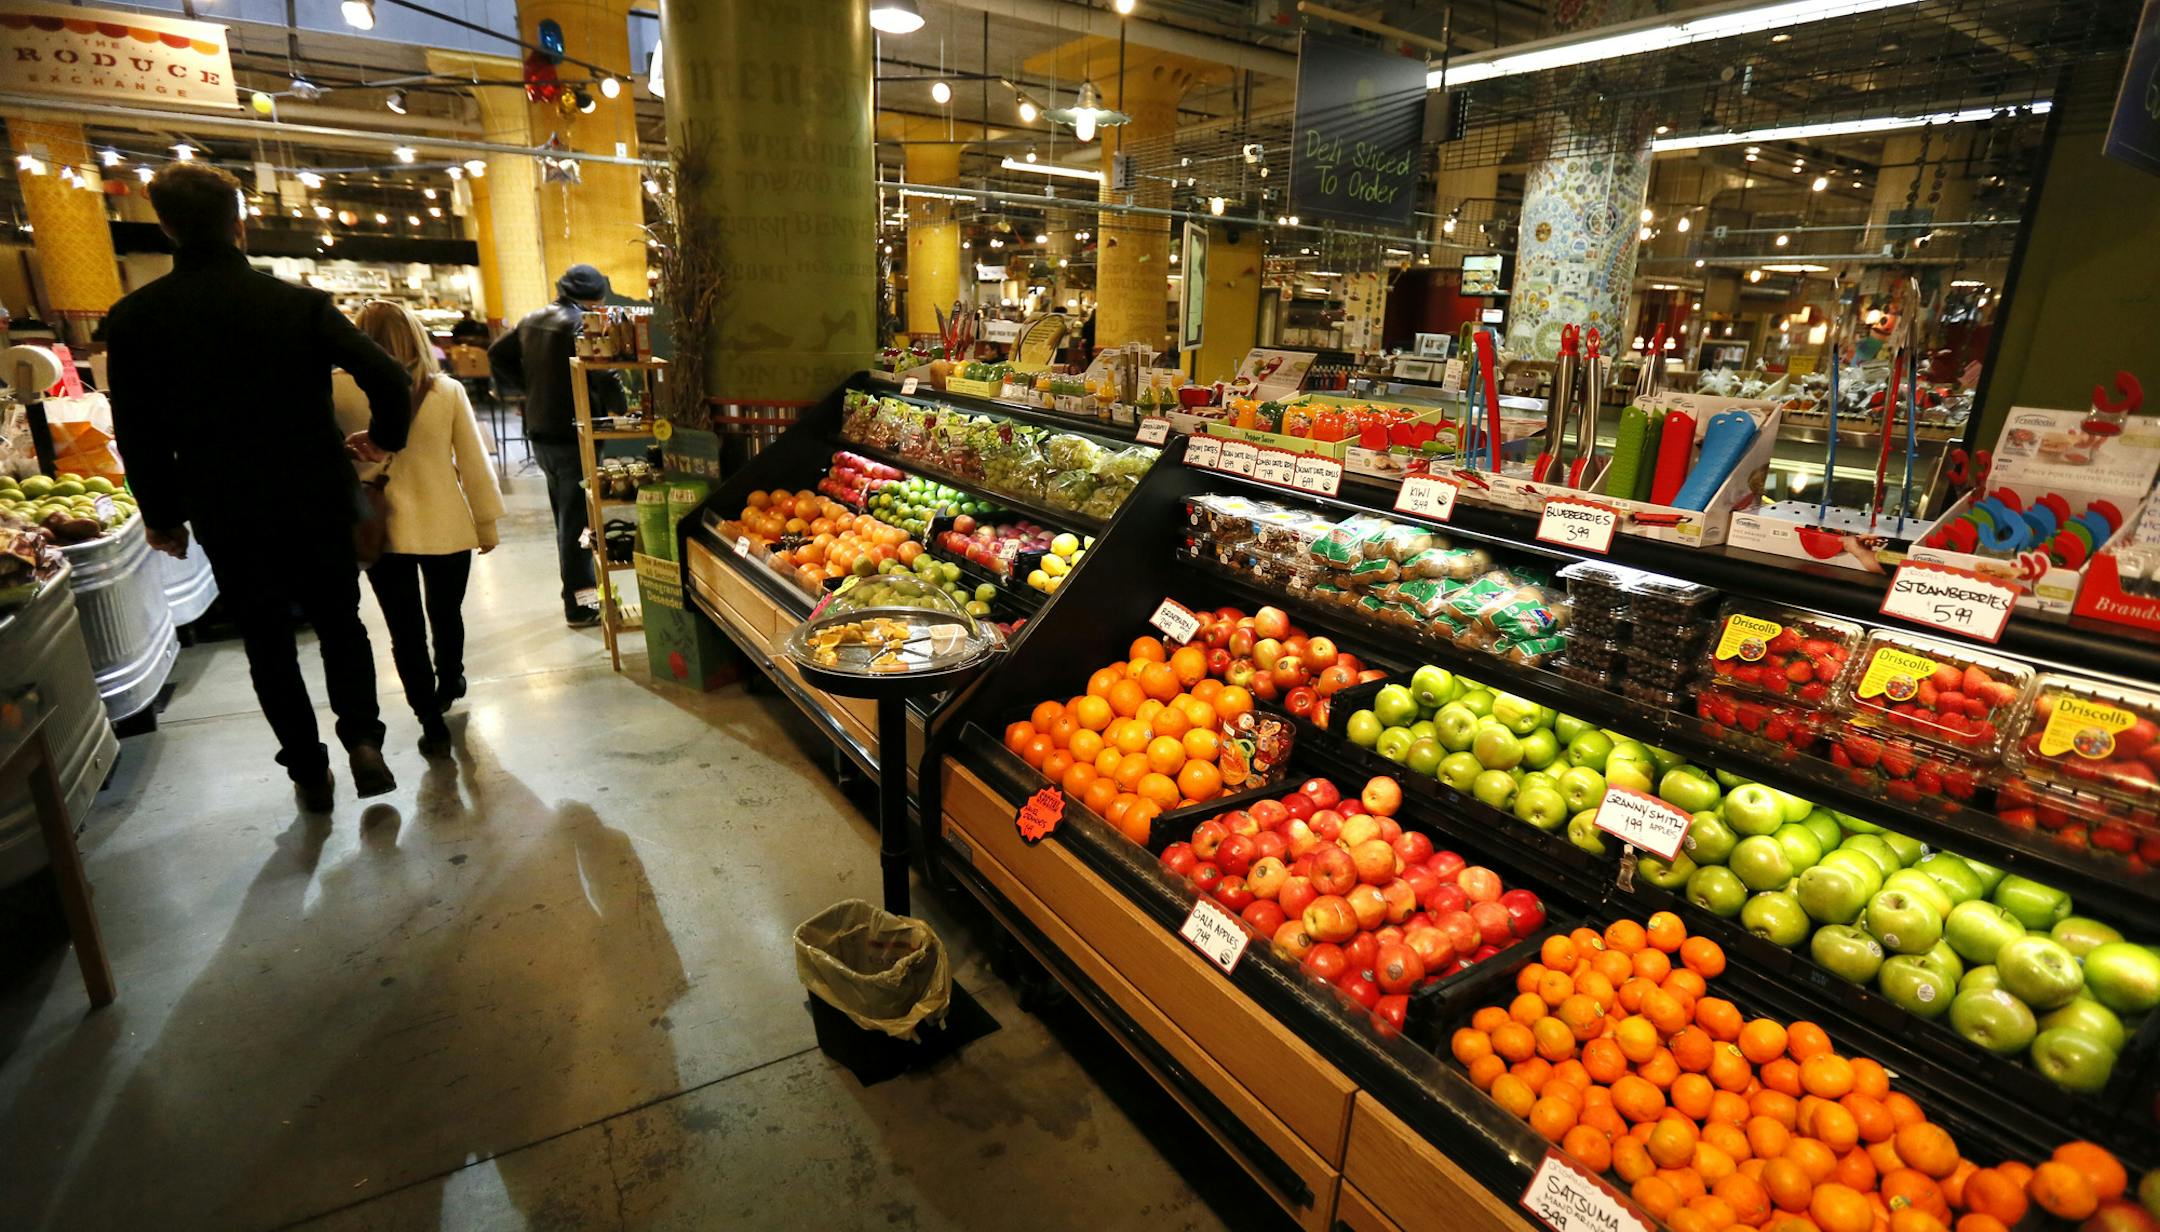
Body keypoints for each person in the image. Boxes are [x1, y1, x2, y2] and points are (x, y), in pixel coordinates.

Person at [105, 163, 414, 811]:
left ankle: (307, 767)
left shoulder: (137, 319)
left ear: (164, 226)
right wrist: (386, 437)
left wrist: (162, 514)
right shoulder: (296, 305)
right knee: (341, 624)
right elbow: (386, 374)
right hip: (318, 494)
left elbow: (137, 432)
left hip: (227, 504)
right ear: (239, 222)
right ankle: (363, 739)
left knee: (267, 641)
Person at [334, 301, 505, 757]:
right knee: (446, 612)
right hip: (445, 524)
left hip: (380, 528)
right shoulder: (444, 390)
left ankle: (429, 718)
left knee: (403, 629)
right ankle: (450, 676)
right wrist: (485, 523)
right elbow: (473, 462)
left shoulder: (336, 391)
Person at [489, 264, 624, 626]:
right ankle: (580, 605)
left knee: (565, 518)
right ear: (596, 296)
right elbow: (604, 370)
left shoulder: (531, 318)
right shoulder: (582, 322)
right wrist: (621, 408)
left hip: (541, 431)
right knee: (577, 524)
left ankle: (578, 598)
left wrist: (526, 388)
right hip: (574, 432)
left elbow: (496, 354)